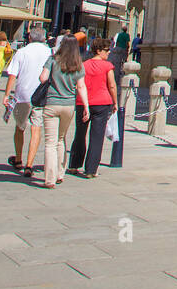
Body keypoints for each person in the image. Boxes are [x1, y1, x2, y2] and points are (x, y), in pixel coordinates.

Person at [39, 36, 90, 187]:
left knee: (50, 142)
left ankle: (49, 179)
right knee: (61, 139)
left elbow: (43, 78)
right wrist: (86, 106)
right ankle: (60, 173)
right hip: (68, 105)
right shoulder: (78, 64)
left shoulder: (53, 60)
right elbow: (81, 87)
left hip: (52, 103)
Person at [2, 27, 52, 177]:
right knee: (36, 129)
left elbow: (12, 75)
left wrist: (6, 94)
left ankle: (18, 159)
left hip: (22, 95)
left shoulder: (22, 52)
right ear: (44, 38)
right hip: (40, 96)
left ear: (29, 37)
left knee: (20, 127)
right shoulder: (49, 52)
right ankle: (29, 165)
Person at [67, 38, 118, 178]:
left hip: (83, 103)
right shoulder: (108, 66)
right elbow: (112, 85)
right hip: (101, 103)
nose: (109, 53)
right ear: (99, 50)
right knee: (96, 137)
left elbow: (77, 83)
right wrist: (115, 102)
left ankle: (74, 165)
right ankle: (91, 169)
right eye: (107, 50)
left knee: (80, 134)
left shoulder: (83, 65)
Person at [108, 25, 131, 90]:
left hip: (119, 49)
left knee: (117, 63)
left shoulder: (120, 35)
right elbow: (127, 42)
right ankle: (124, 71)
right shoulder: (127, 35)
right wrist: (127, 48)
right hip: (124, 49)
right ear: (126, 30)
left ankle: (117, 77)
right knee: (124, 61)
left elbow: (117, 42)